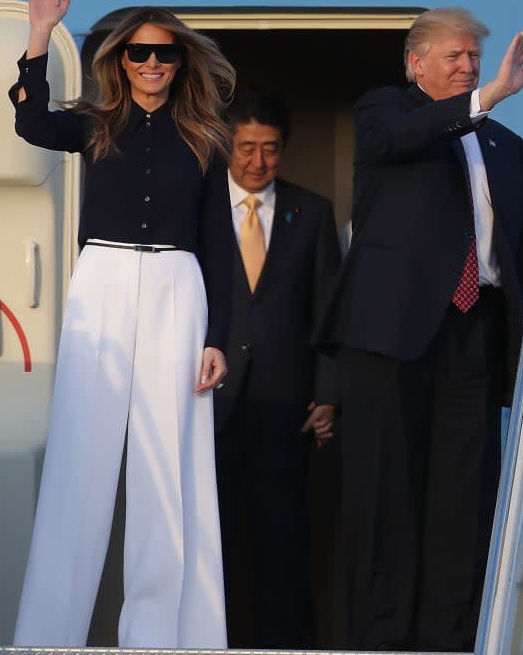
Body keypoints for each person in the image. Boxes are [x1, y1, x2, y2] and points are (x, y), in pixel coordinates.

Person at [8, 0, 236, 647]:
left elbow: (219, 244)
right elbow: (31, 122)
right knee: (79, 455)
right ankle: (47, 634)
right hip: (102, 281)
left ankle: (163, 636)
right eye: (139, 53)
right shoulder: (95, 123)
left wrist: (218, 338)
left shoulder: (204, 139)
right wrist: (38, 36)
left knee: (170, 464)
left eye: (164, 54)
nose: (152, 64)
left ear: (180, 62)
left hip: (177, 284)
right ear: (122, 60)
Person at [312, 7, 523, 652]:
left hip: (471, 337)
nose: (469, 66)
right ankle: (380, 643)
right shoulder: (384, 112)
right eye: (456, 56)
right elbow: (403, 140)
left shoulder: (506, 145)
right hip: (389, 340)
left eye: (475, 57)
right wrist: (486, 96)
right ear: (417, 63)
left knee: (463, 507)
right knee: (385, 500)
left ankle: (451, 643)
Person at [210, 89, 341, 648]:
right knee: (212, 542)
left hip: (287, 411)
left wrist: (327, 394)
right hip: (208, 405)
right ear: (227, 147)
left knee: (283, 544)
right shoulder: (198, 211)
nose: (258, 162)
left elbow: (329, 314)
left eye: (270, 149)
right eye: (246, 149)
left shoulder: (310, 212)